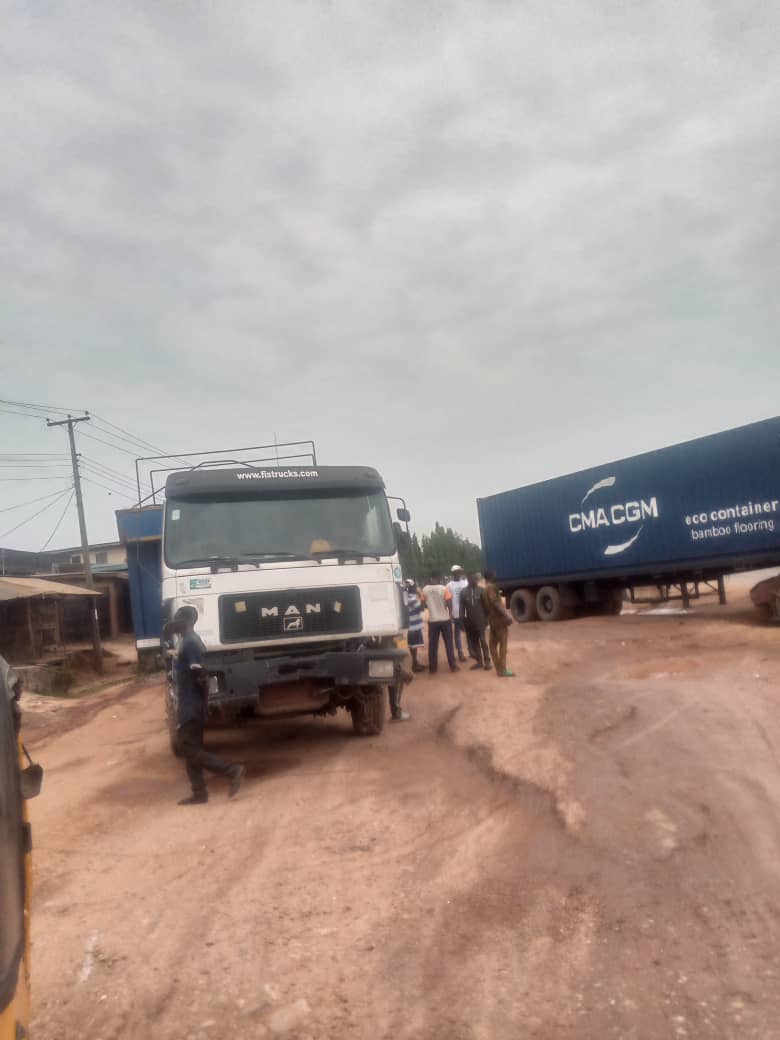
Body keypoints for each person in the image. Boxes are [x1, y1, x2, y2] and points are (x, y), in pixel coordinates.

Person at [167, 605, 245, 805]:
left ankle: (231, 771)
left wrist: (203, 704)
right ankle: (199, 793)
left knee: (189, 749)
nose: (174, 626)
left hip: (191, 705)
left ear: (186, 623)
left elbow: (201, 675)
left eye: (178, 622)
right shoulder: (186, 641)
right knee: (191, 748)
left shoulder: (190, 643)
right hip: (188, 703)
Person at [420, 574, 458, 674]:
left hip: (433, 621)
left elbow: (422, 605)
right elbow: (449, 602)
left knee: (433, 645)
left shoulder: (425, 589)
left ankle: (433, 668)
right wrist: (450, 614)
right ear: (439, 579)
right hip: (445, 619)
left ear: (431, 578)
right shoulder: (443, 588)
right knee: (449, 644)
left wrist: (428, 604)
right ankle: (453, 666)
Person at [482, 571, 514, 677]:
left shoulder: (484, 589)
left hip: (492, 621)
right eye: (494, 574)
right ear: (491, 576)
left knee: (492, 645)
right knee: (503, 645)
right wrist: (506, 615)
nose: (496, 576)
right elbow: (495, 602)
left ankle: (498, 668)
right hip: (499, 620)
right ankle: (502, 669)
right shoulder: (491, 587)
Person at [461, 573, 491, 670]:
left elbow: (487, 606)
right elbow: (462, 609)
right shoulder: (463, 592)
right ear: (468, 580)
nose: (475, 581)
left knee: (483, 640)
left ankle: (487, 662)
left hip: (480, 621)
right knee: (474, 643)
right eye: (473, 579)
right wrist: (462, 622)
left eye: (476, 579)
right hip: (469, 622)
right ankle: (479, 662)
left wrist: (487, 619)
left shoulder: (482, 590)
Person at [446, 565, 469, 663]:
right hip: (456, 613)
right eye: (456, 572)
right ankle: (460, 652)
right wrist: (450, 613)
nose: (458, 573)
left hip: (467, 612)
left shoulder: (465, 583)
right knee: (457, 633)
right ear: (453, 573)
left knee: (470, 632)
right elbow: (448, 600)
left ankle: (472, 651)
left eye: (459, 571)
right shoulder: (449, 585)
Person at [405, 579, 426, 672]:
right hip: (414, 626)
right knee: (414, 646)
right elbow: (421, 609)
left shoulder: (406, 597)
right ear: (412, 587)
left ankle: (416, 663)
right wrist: (421, 595)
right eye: (415, 586)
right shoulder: (412, 599)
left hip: (411, 625)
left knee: (413, 646)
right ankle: (414, 665)